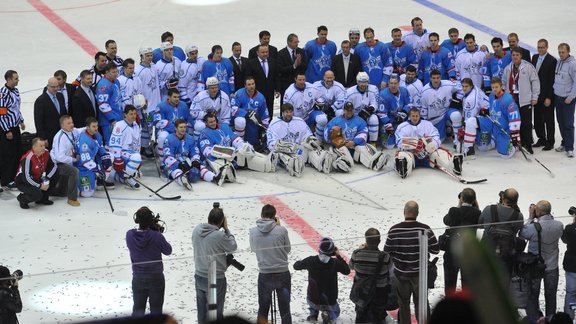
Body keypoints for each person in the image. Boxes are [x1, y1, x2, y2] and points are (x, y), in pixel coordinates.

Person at [384, 200, 439, 324]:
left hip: (401, 274)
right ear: (417, 213)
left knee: (403, 304)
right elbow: (436, 249)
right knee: (421, 303)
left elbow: (386, 252)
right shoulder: (425, 229)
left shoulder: (394, 230)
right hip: (420, 275)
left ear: (404, 212)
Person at [199, 112, 275, 186]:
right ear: (206, 123)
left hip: (232, 156)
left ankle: (265, 164)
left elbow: (235, 138)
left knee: (245, 151)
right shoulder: (204, 134)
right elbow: (207, 151)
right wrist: (228, 153)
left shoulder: (224, 127)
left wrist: (242, 146)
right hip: (217, 158)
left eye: (214, 121)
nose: (213, 123)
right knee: (220, 163)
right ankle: (224, 174)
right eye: (210, 122)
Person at [192, 203, 238, 323]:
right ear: (222, 221)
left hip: (199, 276)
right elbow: (233, 247)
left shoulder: (197, 230)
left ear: (208, 218)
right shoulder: (220, 235)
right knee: (215, 316)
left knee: (201, 314)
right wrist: (227, 229)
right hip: (215, 278)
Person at [520, 201, 564, 321]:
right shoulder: (559, 225)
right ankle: (550, 319)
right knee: (551, 296)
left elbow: (522, 233)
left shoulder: (533, 227)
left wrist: (530, 217)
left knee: (533, 295)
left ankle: (535, 320)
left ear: (537, 211)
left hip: (535, 267)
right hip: (552, 266)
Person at [126, 206, 172, 317]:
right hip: (156, 278)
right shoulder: (156, 236)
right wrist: (157, 232)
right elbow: (168, 250)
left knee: (138, 311)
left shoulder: (129, 235)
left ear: (137, 220)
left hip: (138, 277)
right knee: (156, 313)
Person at [249, 204, 292, 324]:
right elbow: (287, 249)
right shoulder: (282, 230)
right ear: (274, 217)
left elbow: (254, 248)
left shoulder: (253, 232)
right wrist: (279, 227)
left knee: (263, 309)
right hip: (282, 273)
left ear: (261, 215)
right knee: (285, 309)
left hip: (265, 274)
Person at [394, 107, 463, 179]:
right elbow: (399, 142)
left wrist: (430, 145)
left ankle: (454, 165)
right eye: (413, 116)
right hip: (411, 153)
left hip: (427, 155)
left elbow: (436, 137)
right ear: (409, 117)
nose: (415, 118)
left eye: (417, 116)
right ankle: (402, 167)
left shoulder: (428, 124)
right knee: (403, 155)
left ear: (419, 116)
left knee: (439, 154)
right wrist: (414, 144)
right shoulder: (402, 127)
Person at [293, 237, 350, 322]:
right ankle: (328, 314)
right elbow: (347, 271)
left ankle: (313, 314)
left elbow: (296, 266)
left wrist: (305, 263)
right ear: (332, 251)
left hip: (313, 299)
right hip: (329, 301)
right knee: (336, 313)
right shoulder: (335, 262)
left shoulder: (311, 260)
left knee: (312, 298)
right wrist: (338, 256)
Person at [462, 77, 521, 158]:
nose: (494, 89)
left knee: (505, 155)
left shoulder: (508, 99)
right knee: (470, 121)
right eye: (493, 87)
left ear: (501, 86)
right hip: (492, 123)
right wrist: (486, 111)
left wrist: (514, 135)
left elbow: (515, 117)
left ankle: (509, 145)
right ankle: (468, 149)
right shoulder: (491, 96)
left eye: (496, 87)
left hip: (502, 130)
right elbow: (492, 108)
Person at [266, 103, 332, 176]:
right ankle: (293, 166)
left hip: (299, 150)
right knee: (282, 156)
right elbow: (271, 144)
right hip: (285, 152)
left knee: (310, 150)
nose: (289, 114)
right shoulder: (275, 123)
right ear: (282, 113)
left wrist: (311, 141)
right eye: (286, 112)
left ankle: (322, 163)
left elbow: (308, 135)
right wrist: (285, 147)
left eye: (290, 112)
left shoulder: (299, 121)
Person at [325, 102, 390, 171]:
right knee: (343, 153)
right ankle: (340, 163)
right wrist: (330, 132)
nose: (349, 112)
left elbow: (363, 134)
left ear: (353, 110)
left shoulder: (360, 121)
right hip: (341, 147)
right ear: (344, 110)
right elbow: (326, 134)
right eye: (347, 110)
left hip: (354, 146)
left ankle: (375, 163)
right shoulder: (335, 121)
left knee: (362, 147)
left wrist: (354, 142)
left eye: (351, 110)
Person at [478, 188, 524, 287]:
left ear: (502, 197)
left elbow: (479, 225)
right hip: (506, 255)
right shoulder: (518, 216)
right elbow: (518, 231)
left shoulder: (489, 209)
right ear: (516, 201)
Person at [441, 188, 481, 295]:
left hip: (452, 251)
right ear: (474, 200)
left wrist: (459, 206)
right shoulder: (477, 213)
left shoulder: (455, 211)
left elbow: (446, 220)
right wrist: (476, 207)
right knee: (468, 285)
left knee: (450, 284)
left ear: (461, 198)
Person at [349, 228, 392, 323]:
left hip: (362, 290)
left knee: (361, 314)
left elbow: (351, 266)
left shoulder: (357, 254)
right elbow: (389, 268)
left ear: (366, 240)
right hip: (380, 291)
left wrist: (361, 249)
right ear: (379, 241)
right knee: (378, 315)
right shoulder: (385, 257)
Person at [163, 118, 219, 190]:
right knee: (177, 171)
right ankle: (183, 180)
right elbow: (167, 157)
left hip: (186, 162)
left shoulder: (190, 138)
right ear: (175, 128)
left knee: (200, 167)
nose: (183, 129)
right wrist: (179, 164)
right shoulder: (169, 139)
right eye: (181, 127)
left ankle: (214, 178)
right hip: (172, 164)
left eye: (184, 127)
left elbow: (194, 152)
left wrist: (195, 161)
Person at [502, 48, 540, 154]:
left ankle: (528, 145)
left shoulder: (528, 67)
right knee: (515, 123)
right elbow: (503, 83)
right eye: (513, 55)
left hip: (525, 100)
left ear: (521, 56)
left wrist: (534, 97)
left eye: (517, 55)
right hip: (512, 101)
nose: (515, 57)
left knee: (526, 124)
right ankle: (519, 143)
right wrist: (505, 97)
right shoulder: (508, 68)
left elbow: (535, 82)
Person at [420, 70, 464, 144]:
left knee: (456, 115)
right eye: (434, 78)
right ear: (430, 78)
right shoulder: (425, 91)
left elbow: (462, 87)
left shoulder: (448, 84)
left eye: (438, 78)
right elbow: (423, 109)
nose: (436, 80)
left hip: (447, 111)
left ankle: (457, 141)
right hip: (436, 118)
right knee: (440, 140)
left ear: (440, 77)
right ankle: (447, 130)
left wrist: (458, 99)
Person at [15, 137, 58, 209]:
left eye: (44, 145)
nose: (43, 148)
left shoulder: (46, 153)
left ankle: (42, 199)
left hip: (38, 177)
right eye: (41, 146)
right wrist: (40, 186)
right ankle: (22, 199)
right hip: (23, 181)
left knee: (55, 175)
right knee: (36, 194)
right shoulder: (28, 158)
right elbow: (26, 178)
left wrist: (46, 178)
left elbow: (54, 166)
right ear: (34, 147)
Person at [75, 117, 114, 197]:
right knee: (87, 194)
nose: (96, 128)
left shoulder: (97, 134)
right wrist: (97, 169)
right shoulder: (84, 141)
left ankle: (100, 180)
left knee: (110, 157)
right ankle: (79, 186)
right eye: (94, 126)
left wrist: (104, 155)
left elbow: (100, 146)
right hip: (83, 167)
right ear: (88, 127)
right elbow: (85, 161)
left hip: (93, 160)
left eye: (97, 126)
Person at [0, 70, 25, 190]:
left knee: (17, 152)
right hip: (7, 129)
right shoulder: (3, 94)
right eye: (15, 78)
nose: (18, 80)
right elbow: (1, 115)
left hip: (15, 127)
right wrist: (6, 131)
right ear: (9, 79)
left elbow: (16, 108)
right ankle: (6, 180)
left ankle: (14, 176)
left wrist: (21, 120)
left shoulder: (15, 90)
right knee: (8, 155)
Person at [531, 39, 557, 151]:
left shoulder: (552, 60)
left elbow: (552, 80)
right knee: (537, 119)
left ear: (547, 47)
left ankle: (550, 142)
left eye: (542, 47)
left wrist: (549, 97)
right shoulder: (535, 57)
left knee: (548, 120)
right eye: (539, 47)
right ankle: (541, 138)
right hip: (536, 95)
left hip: (546, 95)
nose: (540, 49)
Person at [283, 72, 326, 139]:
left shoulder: (311, 87)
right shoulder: (289, 92)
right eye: (300, 80)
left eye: (303, 80)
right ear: (295, 79)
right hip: (297, 118)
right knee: (303, 139)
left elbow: (320, 97)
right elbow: (286, 110)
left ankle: (319, 140)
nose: (302, 82)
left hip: (310, 114)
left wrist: (320, 102)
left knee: (322, 119)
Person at [107, 105, 141, 189]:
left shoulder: (136, 125)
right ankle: (127, 178)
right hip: (121, 153)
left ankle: (121, 177)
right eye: (131, 114)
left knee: (137, 158)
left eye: (134, 114)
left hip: (129, 153)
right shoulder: (119, 125)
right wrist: (117, 159)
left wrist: (137, 164)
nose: (133, 116)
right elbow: (114, 144)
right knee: (136, 157)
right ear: (125, 114)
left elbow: (137, 143)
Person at [135, 46, 161, 156]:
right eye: (147, 56)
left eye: (151, 55)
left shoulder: (154, 67)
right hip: (147, 106)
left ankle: (156, 144)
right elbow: (137, 88)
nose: (150, 58)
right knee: (147, 127)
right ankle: (144, 147)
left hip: (157, 103)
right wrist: (141, 103)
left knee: (158, 125)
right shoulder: (138, 71)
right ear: (141, 56)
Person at [49, 115, 81, 206]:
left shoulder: (73, 131)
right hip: (57, 164)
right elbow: (60, 158)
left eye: (72, 122)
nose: (72, 125)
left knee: (63, 190)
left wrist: (89, 127)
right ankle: (72, 198)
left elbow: (81, 130)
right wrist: (74, 159)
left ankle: (58, 191)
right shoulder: (60, 137)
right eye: (69, 123)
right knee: (73, 171)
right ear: (62, 126)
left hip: (66, 161)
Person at [230, 77, 270, 148]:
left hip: (253, 125)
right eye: (249, 84)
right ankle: (238, 146)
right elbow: (232, 107)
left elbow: (265, 115)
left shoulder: (261, 98)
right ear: (245, 85)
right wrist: (246, 113)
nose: (251, 86)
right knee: (240, 121)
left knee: (252, 144)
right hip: (240, 122)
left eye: (253, 84)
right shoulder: (239, 94)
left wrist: (266, 129)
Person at [553, 43, 576, 158]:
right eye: (559, 52)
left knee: (568, 124)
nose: (561, 54)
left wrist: (570, 97)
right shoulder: (558, 62)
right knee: (560, 122)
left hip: (567, 100)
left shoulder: (573, 64)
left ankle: (570, 147)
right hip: (558, 97)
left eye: (563, 52)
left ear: (568, 52)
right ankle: (564, 142)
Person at [153, 88, 190, 159]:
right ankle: (162, 161)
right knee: (162, 136)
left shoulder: (184, 105)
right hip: (166, 130)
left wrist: (187, 129)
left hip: (180, 129)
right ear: (169, 97)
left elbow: (188, 119)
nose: (177, 99)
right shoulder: (161, 106)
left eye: (178, 97)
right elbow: (157, 123)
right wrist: (174, 128)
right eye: (175, 97)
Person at [343, 72, 379, 144]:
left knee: (374, 119)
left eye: (365, 82)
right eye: (361, 82)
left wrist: (369, 110)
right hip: (354, 114)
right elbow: (346, 106)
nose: (363, 84)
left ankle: (373, 142)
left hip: (367, 113)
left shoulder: (373, 89)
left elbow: (375, 103)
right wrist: (351, 114)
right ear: (357, 81)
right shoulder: (350, 91)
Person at [378, 75, 413, 149]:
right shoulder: (383, 94)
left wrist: (403, 113)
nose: (393, 86)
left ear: (399, 83)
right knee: (389, 146)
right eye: (391, 83)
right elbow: (381, 113)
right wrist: (388, 126)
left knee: (405, 145)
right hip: (389, 120)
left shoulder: (404, 91)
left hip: (402, 119)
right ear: (388, 83)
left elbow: (410, 104)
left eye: (395, 83)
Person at [245, 44, 278, 119]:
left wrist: (277, 89)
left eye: (267, 52)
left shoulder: (272, 61)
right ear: (257, 53)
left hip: (270, 91)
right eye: (263, 52)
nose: (265, 54)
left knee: (269, 109)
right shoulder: (251, 63)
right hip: (257, 92)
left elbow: (276, 76)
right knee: (258, 110)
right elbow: (248, 77)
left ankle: (268, 126)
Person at [457, 78, 489, 153]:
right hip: (485, 114)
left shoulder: (471, 99)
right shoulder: (474, 89)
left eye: (466, 86)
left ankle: (468, 148)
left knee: (482, 147)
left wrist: (464, 129)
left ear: (471, 86)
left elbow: (469, 119)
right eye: (463, 86)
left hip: (489, 118)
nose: (464, 88)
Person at [34, 77, 67, 148]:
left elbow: (64, 114)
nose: (55, 89)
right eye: (53, 87)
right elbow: (38, 122)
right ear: (47, 86)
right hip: (49, 137)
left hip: (61, 134)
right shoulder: (40, 101)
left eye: (57, 86)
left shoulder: (60, 96)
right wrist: (43, 138)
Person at [96, 62, 123, 145]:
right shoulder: (103, 85)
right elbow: (102, 104)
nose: (116, 74)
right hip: (109, 122)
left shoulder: (116, 82)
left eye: (116, 72)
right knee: (111, 144)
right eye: (113, 72)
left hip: (118, 118)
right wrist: (112, 119)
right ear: (107, 72)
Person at [277, 33, 308, 103]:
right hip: (286, 83)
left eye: (297, 42)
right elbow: (280, 70)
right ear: (289, 42)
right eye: (295, 42)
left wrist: (299, 64)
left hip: (299, 83)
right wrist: (294, 66)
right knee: (286, 104)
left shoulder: (301, 51)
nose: (297, 44)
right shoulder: (281, 53)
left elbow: (305, 66)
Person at [562, 208, 576, 318]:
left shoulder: (570, 228)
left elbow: (564, 240)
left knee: (571, 293)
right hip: (571, 264)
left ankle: (570, 315)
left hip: (571, 264)